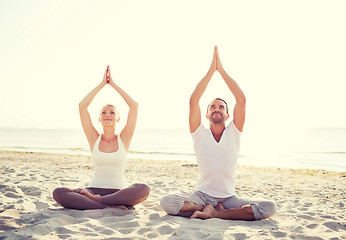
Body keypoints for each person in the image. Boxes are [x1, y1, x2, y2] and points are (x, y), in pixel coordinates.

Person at [160, 46, 276, 220]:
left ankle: (215, 213)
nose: (217, 109)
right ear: (206, 114)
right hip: (201, 194)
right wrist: (210, 71)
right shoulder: (199, 133)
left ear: (227, 115)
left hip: (229, 198)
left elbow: (241, 99)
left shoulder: (234, 131)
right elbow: (193, 100)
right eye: (212, 106)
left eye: (221, 107)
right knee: (167, 202)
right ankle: (205, 208)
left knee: (269, 207)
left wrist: (220, 70)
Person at [53, 67, 150, 210]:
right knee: (59, 192)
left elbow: (134, 106)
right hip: (92, 190)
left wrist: (113, 84)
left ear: (118, 118)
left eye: (112, 112)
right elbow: (82, 106)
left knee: (143, 189)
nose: (107, 115)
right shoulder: (94, 138)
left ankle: (102, 202)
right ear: (99, 118)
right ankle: (107, 205)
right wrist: (102, 84)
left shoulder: (124, 139)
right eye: (103, 112)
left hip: (119, 193)